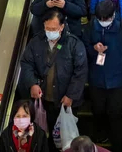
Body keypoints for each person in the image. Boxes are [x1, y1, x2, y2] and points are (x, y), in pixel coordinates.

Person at [20, 10, 88, 152]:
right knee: (45, 135)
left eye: (54, 29)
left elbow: (80, 72)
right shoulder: (36, 42)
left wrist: (71, 95)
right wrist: (32, 83)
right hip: (44, 101)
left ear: (62, 27)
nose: (50, 32)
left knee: (66, 139)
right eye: (47, 28)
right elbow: (26, 63)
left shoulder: (74, 44)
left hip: (66, 101)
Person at [82, 0, 122, 152]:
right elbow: (83, 49)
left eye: (106, 19)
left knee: (115, 113)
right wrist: (94, 49)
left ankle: (118, 145)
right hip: (97, 79)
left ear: (113, 15)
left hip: (118, 79)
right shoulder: (91, 27)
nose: (102, 22)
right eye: (100, 19)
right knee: (98, 110)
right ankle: (99, 138)